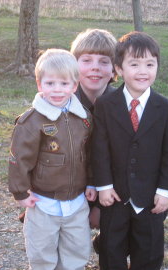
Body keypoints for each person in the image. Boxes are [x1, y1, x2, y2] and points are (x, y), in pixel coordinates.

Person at [92, 31, 168, 270]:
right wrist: (104, 186)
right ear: (118, 69)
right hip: (115, 194)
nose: (143, 71)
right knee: (111, 244)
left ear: (157, 67)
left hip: (150, 195)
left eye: (149, 64)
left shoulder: (165, 108)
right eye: (134, 64)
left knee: (149, 246)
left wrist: (165, 192)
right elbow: (99, 148)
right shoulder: (105, 105)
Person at [8, 49, 97, 270]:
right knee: (42, 250)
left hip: (76, 201)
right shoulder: (32, 121)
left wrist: (91, 181)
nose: (57, 89)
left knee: (76, 248)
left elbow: (90, 154)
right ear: (39, 84)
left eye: (64, 83)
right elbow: (18, 160)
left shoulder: (84, 119)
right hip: (42, 201)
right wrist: (20, 192)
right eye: (50, 83)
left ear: (75, 85)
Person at [70, 28, 117, 232]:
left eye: (104, 61)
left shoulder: (121, 107)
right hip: (65, 186)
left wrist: (99, 207)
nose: (95, 68)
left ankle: (107, 243)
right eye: (86, 60)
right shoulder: (60, 102)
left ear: (115, 69)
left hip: (107, 188)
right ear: (73, 65)